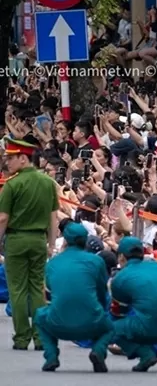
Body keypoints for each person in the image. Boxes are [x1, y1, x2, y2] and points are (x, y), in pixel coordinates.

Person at [0, 138, 59, 350]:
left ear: (23, 159)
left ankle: (22, 338)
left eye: (11, 158)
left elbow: (3, 218)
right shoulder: (48, 183)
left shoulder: (12, 185)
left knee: (17, 290)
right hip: (38, 240)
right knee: (36, 289)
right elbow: (54, 217)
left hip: (16, 240)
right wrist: (51, 244)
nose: (7, 162)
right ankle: (40, 337)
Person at [33, 222, 112, 372]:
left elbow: (49, 295)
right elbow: (103, 293)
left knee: (39, 316)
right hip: (92, 322)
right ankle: (99, 350)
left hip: (58, 323)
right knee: (110, 326)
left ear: (65, 240)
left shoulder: (53, 263)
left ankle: (51, 355)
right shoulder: (96, 261)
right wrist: (100, 311)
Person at [110, 236, 157, 372]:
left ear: (121, 257)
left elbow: (118, 313)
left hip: (150, 329)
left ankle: (145, 354)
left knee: (110, 327)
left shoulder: (120, 278)